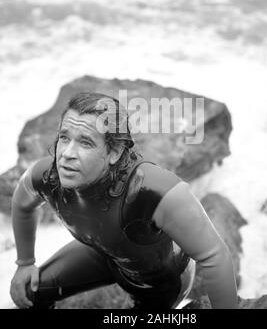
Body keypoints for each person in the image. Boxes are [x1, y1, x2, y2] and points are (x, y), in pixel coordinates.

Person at [10, 92, 239, 309]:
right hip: (102, 252)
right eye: (64, 138)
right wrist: (25, 263)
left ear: (115, 152)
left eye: (85, 142)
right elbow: (22, 205)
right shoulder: (47, 176)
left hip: (159, 282)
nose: (67, 153)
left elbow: (215, 256)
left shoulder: (152, 190)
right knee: (29, 292)